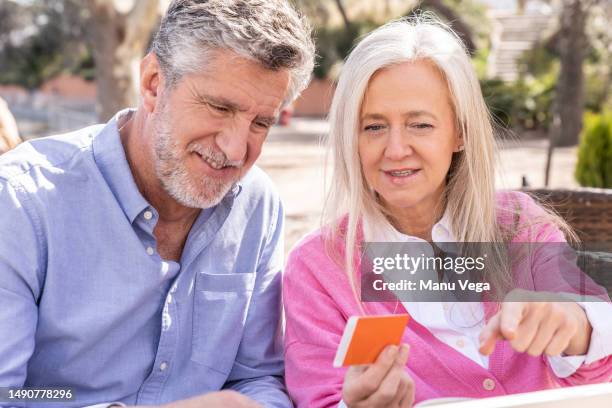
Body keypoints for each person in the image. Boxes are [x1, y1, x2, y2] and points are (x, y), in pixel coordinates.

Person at [283, 17, 612, 408]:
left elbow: (596, 356)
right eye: (373, 127)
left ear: (460, 132)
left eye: (420, 124)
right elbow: (321, 397)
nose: (395, 149)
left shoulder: (521, 226)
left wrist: (573, 324)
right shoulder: (318, 268)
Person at [0, 1, 314, 407]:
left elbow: (258, 378)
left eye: (261, 123)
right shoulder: (21, 204)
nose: (236, 150)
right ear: (152, 83)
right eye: (220, 108)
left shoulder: (257, 205)